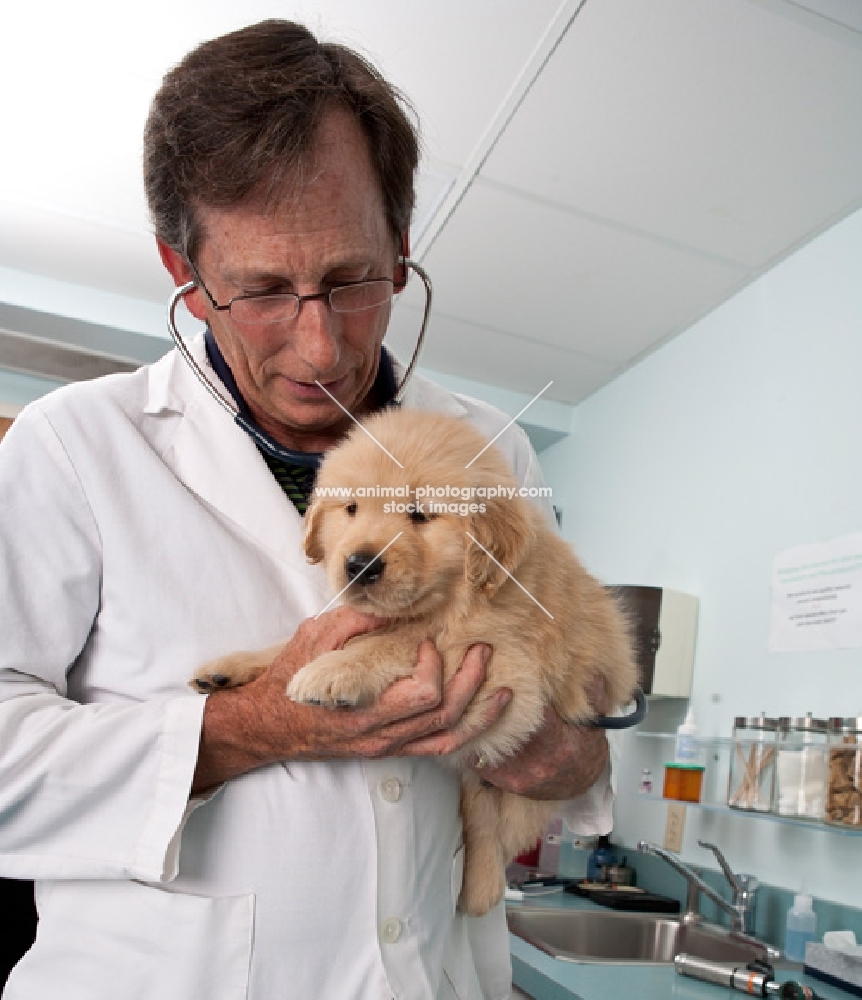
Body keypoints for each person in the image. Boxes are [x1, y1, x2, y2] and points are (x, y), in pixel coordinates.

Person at [0, 20, 617, 1000]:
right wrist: (254, 726)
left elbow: (574, 709)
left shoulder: (490, 448)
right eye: (261, 290)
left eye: (352, 279)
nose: (323, 348)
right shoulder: (73, 445)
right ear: (184, 276)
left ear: (402, 245)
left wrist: (561, 753)